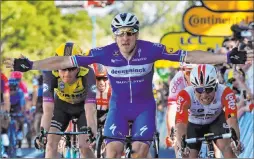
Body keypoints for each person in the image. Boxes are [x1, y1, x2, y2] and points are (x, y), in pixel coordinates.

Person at [4, 12, 253, 158]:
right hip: (119, 108)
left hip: (144, 107)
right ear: (115, 35)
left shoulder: (151, 49)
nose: (125, 38)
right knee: (111, 151)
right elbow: (64, 60)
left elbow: (190, 56)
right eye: (121, 33)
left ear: (136, 33)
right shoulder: (104, 53)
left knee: (139, 151)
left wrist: (227, 57)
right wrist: (32, 64)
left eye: (130, 32)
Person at [34, 42, 97, 158]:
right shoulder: (49, 73)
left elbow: (90, 108)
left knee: (85, 146)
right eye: (63, 69)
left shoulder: (88, 72)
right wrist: (42, 132)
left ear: (79, 67)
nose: (67, 74)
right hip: (62, 107)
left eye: (71, 69)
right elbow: (48, 110)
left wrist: (92, 130)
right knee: (50, 144)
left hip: (83, 109)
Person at [175, 64, 243, 158]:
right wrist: (182, 145)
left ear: (216, 86)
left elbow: (232, 119)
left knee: (228, 150)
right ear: (193, 88)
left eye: (208, 89)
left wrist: (236, 140)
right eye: (199, 90)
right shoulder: (185, 95)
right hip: (193, 124)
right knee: (188, 155)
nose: (204, 95)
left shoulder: (225, 92)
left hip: (216, 121)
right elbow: (180, 123)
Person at [165, 63, 196, 151]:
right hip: (185, 110)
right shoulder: (177, 80)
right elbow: (172, 109)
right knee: (178, 140)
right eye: (188, 73)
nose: (191, 76)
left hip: (204, 108)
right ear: (182, 71)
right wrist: (171, 132)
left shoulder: (206, 75)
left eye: (194, 72)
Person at [91, 63, 112, 129]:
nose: (101, 82)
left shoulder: (111, 88)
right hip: (94, 113)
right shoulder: (90, 87)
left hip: (107, 114)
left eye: (104, 79)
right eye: (98, 79)